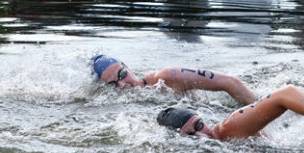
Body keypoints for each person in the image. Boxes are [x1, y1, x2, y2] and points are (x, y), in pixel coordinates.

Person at [157, 84, 304, 147]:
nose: (203, 134)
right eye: (192, 135)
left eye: (200, 125)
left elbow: (286, 93)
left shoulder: (227, 130)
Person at [91, 54, 257, 105]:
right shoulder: (117, 104)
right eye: (113, 84)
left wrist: (263, 114)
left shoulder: (167, 77)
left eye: (122, 74)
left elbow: (230, 82)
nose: (122, 84)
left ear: (128, 67)